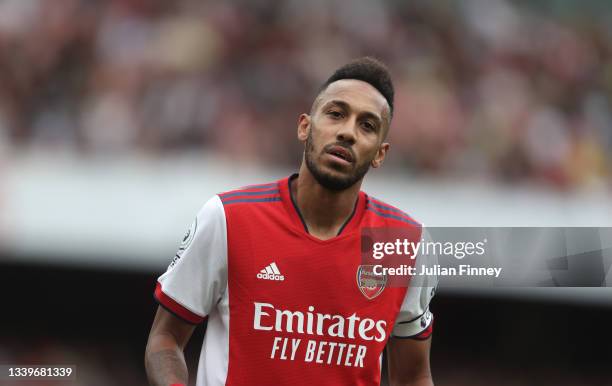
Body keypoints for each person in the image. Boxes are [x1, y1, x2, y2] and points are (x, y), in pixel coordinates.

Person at [145, 57, 437, 386]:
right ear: (305, 127)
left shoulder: (404, 243)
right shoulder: (228, 218)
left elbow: (412, 376)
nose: (347, 132)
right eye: (336, 114)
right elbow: (165, 339)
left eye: (366, 125)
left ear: (380, 154)